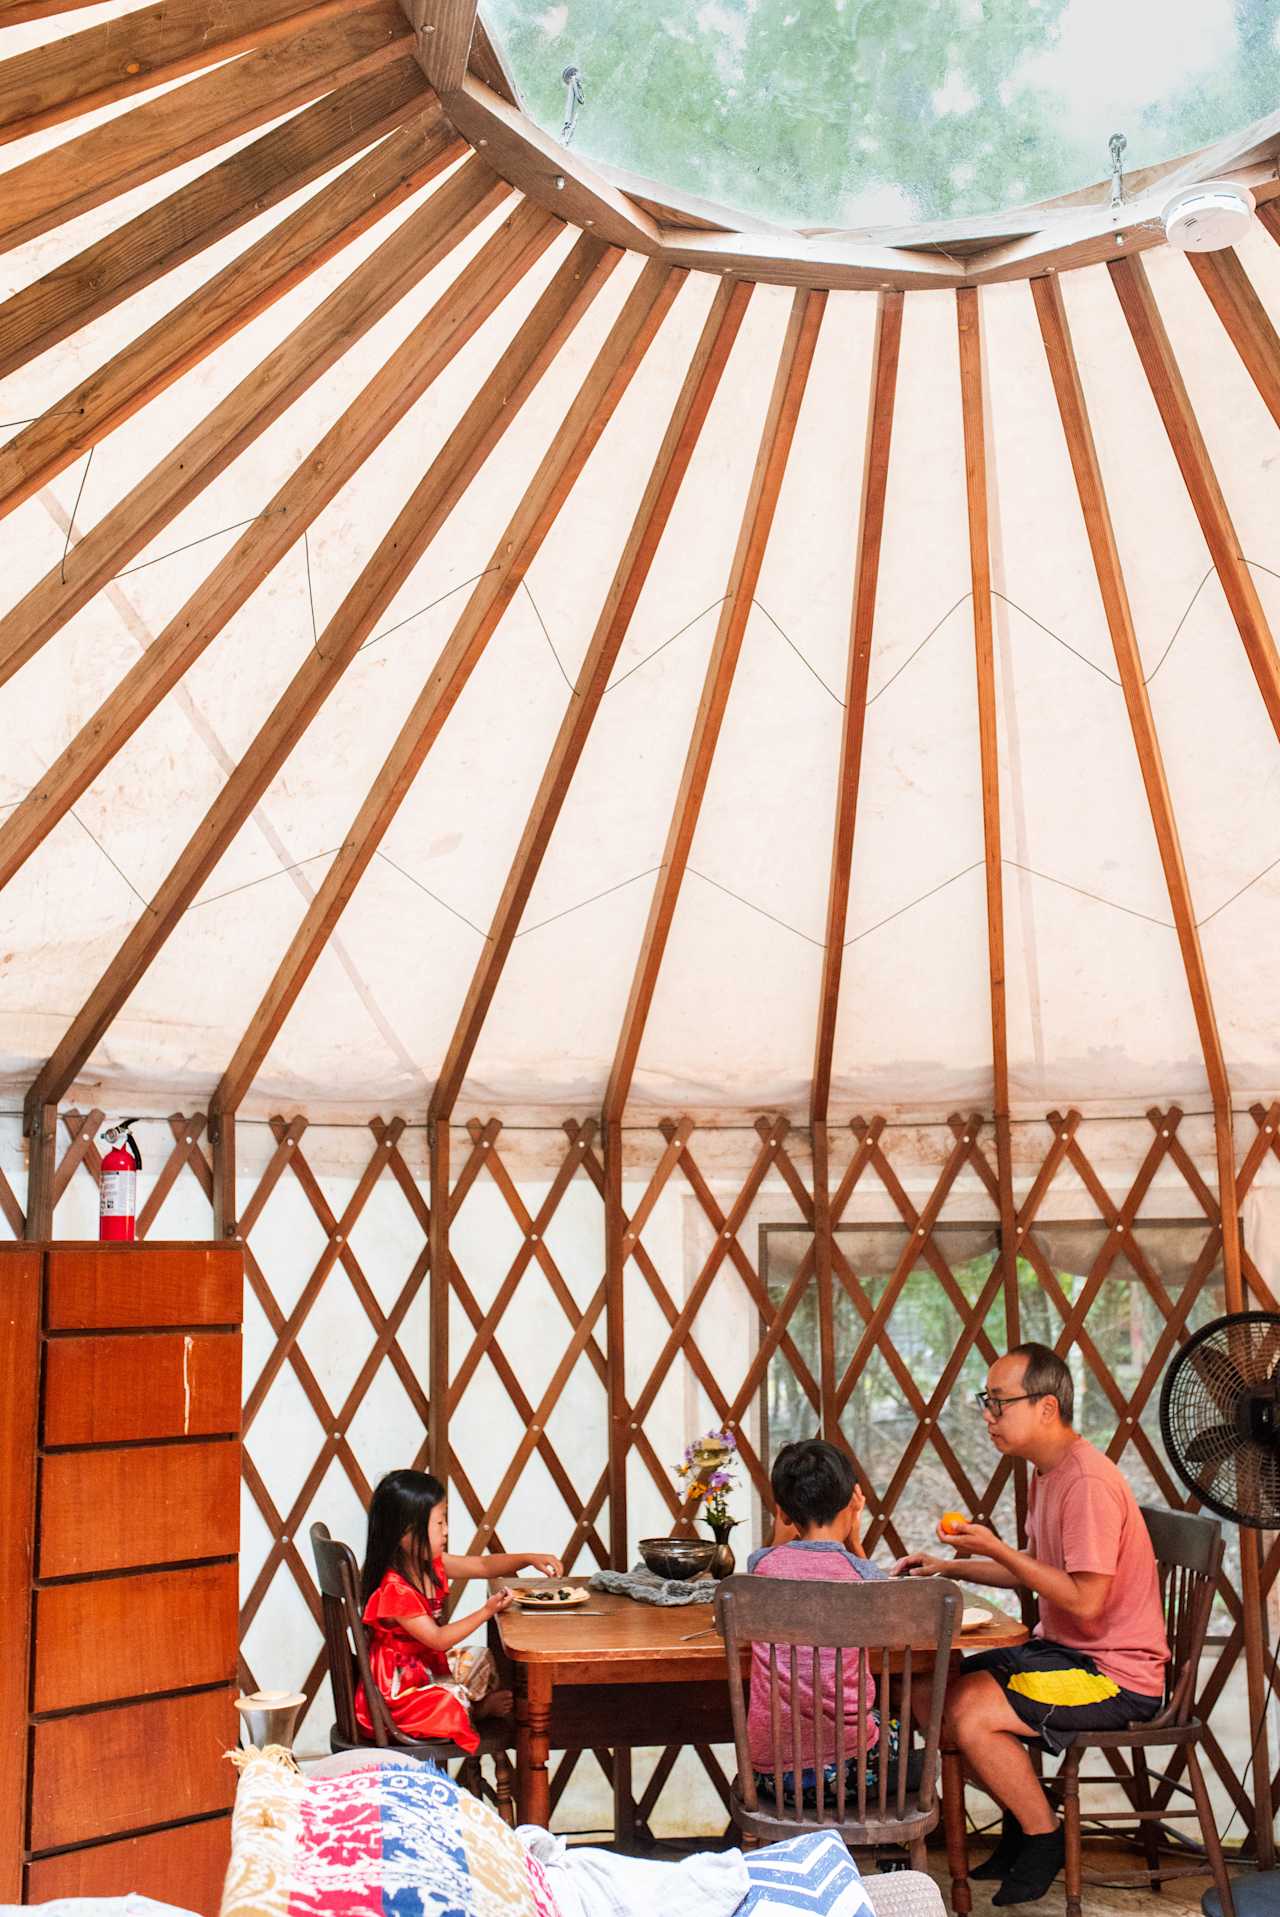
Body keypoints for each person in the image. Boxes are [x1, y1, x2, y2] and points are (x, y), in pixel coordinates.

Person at [897, 1344, 1169, 1905]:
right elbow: (1036, 1567)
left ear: (1047, 1407)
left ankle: (1043, 1836)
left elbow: (1085, 1601)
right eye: (986, 1403)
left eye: (999, 1403)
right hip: (1063, 1652)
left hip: (1112, 1673)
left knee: (969, 1713)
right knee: (922, 1692)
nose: (988, 1416)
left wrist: (998, 1548)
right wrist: (949, 1564)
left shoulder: (1087, 1483)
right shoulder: (1049, 1471)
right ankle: (1024, 1815)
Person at [356, 1466, 564, 1752]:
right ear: (406, 1531)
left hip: (425, 1668)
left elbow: (482, 1565)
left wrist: (527, 1558)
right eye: (439, 1523)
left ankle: (469, 1705)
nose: (446, 1531)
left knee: (480, 1657)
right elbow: (438, 1639)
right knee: (448, 1697)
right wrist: (486, 1611)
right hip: (398, 1691)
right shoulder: (395, 1590)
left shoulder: (430, 1564)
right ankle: (475, 1711)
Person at [747, 1438, 891, 1807]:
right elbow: (881, 1597)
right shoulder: (862, 1575)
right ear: (851, 1503)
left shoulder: (759, 1570)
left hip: (772, 1777)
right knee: (901, 1737)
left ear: (781, 1513)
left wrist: (787, 1517)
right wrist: (855, 1538)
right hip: (849, 1772)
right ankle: (896, 1853)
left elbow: (776, 1555)